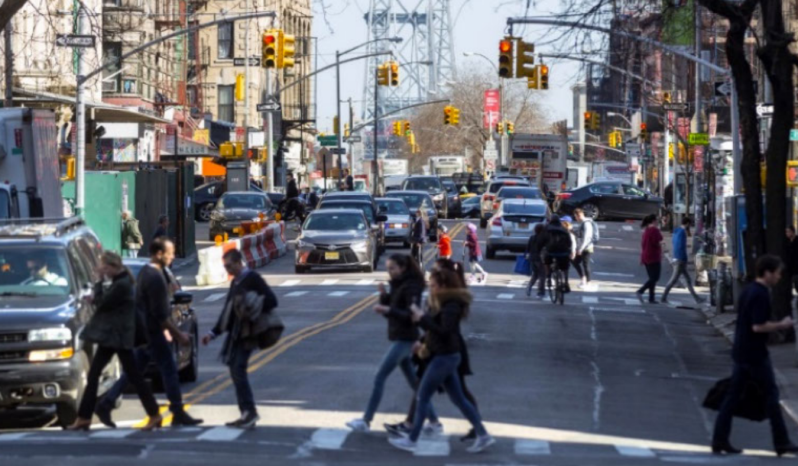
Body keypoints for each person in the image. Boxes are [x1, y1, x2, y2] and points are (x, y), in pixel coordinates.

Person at [95, 238, 202, 428]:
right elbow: (160, 315)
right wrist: (179, 335)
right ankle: (177, 411)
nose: (173, 256)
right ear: (159, 254)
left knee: (134, 372)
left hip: (147, 332)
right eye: (170, 253)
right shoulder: (154, 278)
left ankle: (106, 404)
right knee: (169, 370)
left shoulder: (147, 272)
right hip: (153, 333)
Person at [389, 270, 495, 454]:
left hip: (445, 356)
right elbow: (433, 329)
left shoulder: (451, 305)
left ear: (444, 286)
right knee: (458, 399)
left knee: (423, 396)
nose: (431, 288)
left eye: (434, 285)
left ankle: (412, 439)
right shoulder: (441, 302)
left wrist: (422, 318)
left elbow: (444, 331)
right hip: (444, 354)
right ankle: (483, 435)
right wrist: (421, 323)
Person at [711, 255, 798, 456]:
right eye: (777, 273)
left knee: (733, 396)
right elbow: (758, 326)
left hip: (743, 349)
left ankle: (719, 439)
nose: (779, 277)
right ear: (767, 273)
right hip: (755, 353)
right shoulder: (760, 294)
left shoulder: (749, 290)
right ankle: (781, 441)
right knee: (771, 395)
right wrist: (782, 324)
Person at [67, 252, 162, 432]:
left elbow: (102, 303)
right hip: (113, 337)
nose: (102, 270)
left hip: (118, 338)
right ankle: (84, 417)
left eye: (104, 267)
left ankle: (154, 414)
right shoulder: (121, 282)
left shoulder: (122, 284)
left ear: (112, 267)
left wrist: (98, 283)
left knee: (133, 377)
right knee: (98, 375)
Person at [346, 254, 440, 433]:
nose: (389, 272)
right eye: (388, 268)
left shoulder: (411, 286)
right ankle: (434, 421)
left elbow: (410, 314)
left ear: (403, 268)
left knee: (379, 376)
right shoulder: (399, 283)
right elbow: (395, 306)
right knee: (414, 382)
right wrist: (384, 296)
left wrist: (387, 309)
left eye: (392, 268)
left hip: (406, 338)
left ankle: (366, 420)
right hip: (399, 336)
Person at [202, 249, 278, 429]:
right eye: (225, 267)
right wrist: (213, 333)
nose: (228, 270)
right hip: (235, 333)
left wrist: (252, 305)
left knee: (238, 368)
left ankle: (249, 412)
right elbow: (227, 310)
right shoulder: (235, 282)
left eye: (229, 266)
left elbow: (272, 301)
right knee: (234, 369)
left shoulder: (253, 278)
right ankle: (246, 412)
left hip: (248, 333)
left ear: (238, 263)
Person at [662, 217, 704, 305]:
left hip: (676, 257)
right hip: (680, 260)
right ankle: (663, 297)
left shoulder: (676, 231)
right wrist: (684, 259)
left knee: (688, 280)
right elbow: (681, 246)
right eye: (689, 224)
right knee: (673, 280)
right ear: (687, 223)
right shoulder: (682, 233)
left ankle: (697, 299)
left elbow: (675, 244)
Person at [538, 216, 573, 296]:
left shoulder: (546, 228)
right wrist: (568, 249)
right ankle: (566, 281)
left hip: (550, 251)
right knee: (565, 266)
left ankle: (548, 277)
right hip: (563, 252)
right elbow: (569, 242)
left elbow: (541, 241)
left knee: (546, 262)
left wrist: (539, 249)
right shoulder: (564, 229)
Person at [636, 214, 663, 304]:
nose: (658, 222)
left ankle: (651, 297)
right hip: (653, 256)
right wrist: (661, 245)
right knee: (655, 277)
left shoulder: (646, 230)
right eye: (656, 220)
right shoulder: (654, 230)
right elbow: (658, 240)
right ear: (653, 221)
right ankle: (641, 291)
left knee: (652, 278)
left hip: (646, 256)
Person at [572, 208, 596, 289]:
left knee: (585, 264)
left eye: (575, 217)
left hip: (587, 247)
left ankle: (588, 282)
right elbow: (579, 234)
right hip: (582, 247)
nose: (575, 219)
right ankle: (584, 278)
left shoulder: (586, 224)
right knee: (575, 262)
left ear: (579, 215)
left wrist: (581, 249)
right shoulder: (582, 223)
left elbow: (587, 238)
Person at [526, 223, 545, 297]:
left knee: (535, 274)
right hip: (540, 258)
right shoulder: (542, 239)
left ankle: (529, 286)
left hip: (532, 258)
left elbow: (528, 248)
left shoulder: (532, 237)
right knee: (542, 275)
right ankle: (540, 291)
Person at [786, 226, 798, 295]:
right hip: (790, 267)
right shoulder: (787, 242)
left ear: (793, 232)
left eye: (788, 231)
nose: (787, 233)